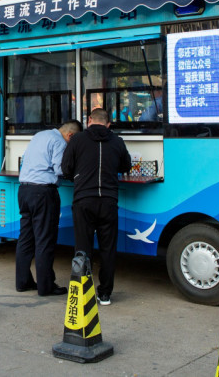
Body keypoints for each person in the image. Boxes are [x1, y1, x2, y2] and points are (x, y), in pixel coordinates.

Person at [61, 108, 132, 306]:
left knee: (82, 249)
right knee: (108, 249)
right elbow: (126, 166)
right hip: (109, 202)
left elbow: (65, 168)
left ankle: (84, 291)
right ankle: (105, 294)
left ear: (89, 120)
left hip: (83, 201)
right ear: (108, 124)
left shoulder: (77, 140)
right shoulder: (117, 141)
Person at [15, 119, 82, 296]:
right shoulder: (60, 142)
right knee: (45, 240)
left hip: (24, 190)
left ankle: (22, 282)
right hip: (43, 193)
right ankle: (46, 287)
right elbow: (60, 170)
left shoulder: (40, 135)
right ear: (71, 135)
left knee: (26, 239)